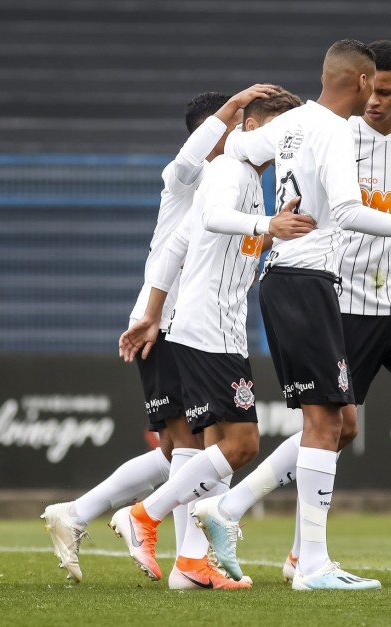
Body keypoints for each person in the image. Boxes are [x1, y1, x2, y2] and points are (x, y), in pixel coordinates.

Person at [191, 40, 391, 585]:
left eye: (388, 92)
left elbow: (237, 152)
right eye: (373, 87)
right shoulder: (336, 130)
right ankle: (287, 547)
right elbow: (344, 210)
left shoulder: (323, 124)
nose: (375, 100)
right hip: (332, 293)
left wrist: (262, 213)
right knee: (330, 427)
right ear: (362, 82)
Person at [40, 85, 280, 584]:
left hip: (185, 324)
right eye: (229, 128)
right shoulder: (188, 178)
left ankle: (85, 515)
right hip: (172, 326)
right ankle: (186, 561)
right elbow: (190, 170)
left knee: (184, 451)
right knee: (198, 447)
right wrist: (234, 107)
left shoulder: (238, 183)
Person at [112, 88, 311, 588]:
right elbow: (214, 220)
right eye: (279, 133)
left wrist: (154, 314)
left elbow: (180, 244)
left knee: (216, 450)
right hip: (209, 329)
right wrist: (271, 225)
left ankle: (191, 565)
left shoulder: (248, 179)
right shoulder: (226, 169)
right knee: (241, 444)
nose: (285, 143)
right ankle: (144, 515)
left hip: (213, 326)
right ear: (251, 128)